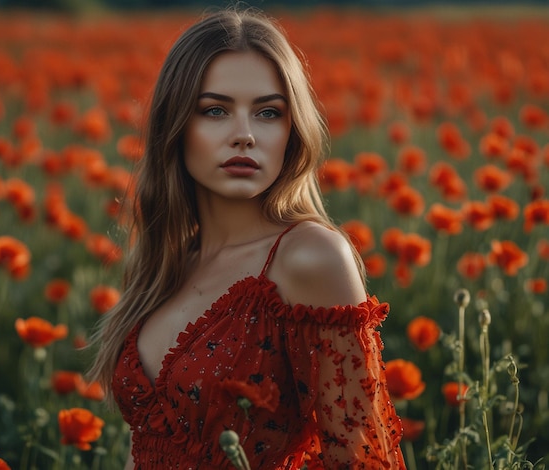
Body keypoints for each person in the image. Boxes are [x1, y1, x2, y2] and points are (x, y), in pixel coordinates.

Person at [88, 7, 406, 469]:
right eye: (215, 110)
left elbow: (365, 460)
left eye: (268, 112)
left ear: (292, 129)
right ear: (175, 126)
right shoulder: (170, 261)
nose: (245, 135)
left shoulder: (309, 258)